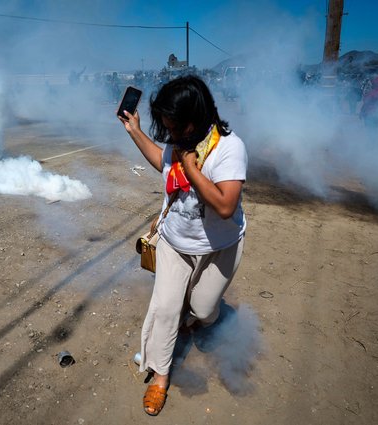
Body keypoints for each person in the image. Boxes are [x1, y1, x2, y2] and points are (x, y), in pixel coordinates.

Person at [118, 75, 247, 416]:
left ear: (196, 117)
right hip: (175, 241)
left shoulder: (229, 148)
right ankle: (160, 376)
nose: (171, 135)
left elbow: (224, 206)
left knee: (203, 311)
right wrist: (135, 130)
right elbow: (161, 159)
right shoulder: (178, 143)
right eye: (167, 127)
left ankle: (196, 318)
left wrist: (191, 168)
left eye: (175, 127)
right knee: (164, 309)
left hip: (219, 246)